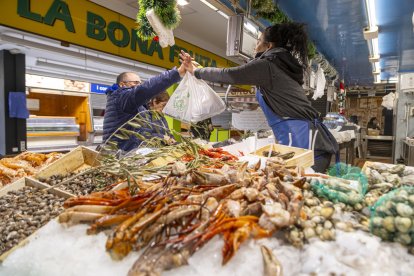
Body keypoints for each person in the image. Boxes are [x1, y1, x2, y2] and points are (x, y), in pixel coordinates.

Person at [179, 23, 339, 173]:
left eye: (258, 41)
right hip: (308, 137)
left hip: (303, 141)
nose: (255, 46)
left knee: (300, 192)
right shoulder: (281, 64)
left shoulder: (268, 66)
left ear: (269, 46)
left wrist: (197, 72)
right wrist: (200, 71)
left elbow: (231, 75)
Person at [103, 65, 185, 152]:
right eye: (135, 83)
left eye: (140, 83)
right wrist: (176, 73)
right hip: (119, 156)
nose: (138, 85)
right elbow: (144, 90)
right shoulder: (121, 97)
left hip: (130, 155)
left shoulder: (141, 108)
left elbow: (144, 133)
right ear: (122, 84)